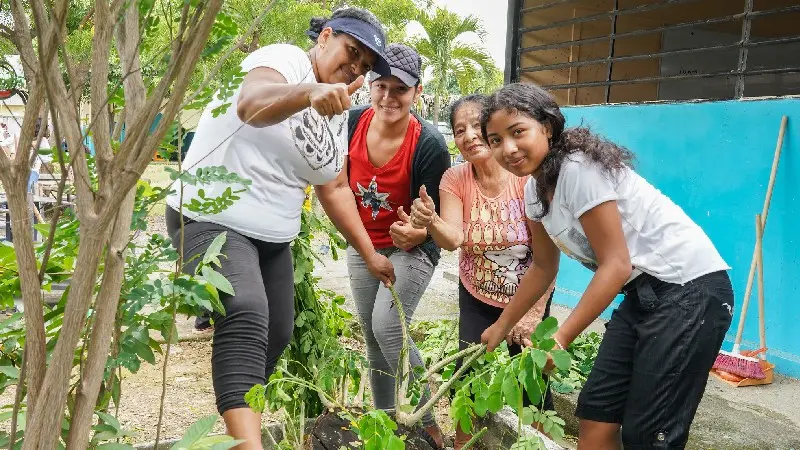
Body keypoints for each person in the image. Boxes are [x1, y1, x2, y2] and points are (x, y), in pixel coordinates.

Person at [164, 7, 391, 449]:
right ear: (325, 37)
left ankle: (234, 433)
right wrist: (309, 91)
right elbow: (251, 105)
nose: (354, 68)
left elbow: (336, 187)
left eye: (364, 66)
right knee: (246, 310)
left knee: (278, 331)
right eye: (352, 52)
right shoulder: (286, 60)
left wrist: (370, 253)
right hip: (210, 217)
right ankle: (250, 445)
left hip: (273, 238)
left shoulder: (336, 112)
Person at [479, 83, 733, 450]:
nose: (509, 148)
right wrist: (501, 326)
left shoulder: (578, 169)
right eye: (496, 140)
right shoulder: (534, 191)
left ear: (547, 127)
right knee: (597, 418)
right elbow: (542, 268)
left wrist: (561, 336)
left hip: (690, 288)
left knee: (649, 435)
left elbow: (615, 264)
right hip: (642, 293)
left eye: (518, 132)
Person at [315, 43, 450, 448]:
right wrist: (367, 251)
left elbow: (437, 219)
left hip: (411, 250)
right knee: (372, 339)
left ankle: (427, 419)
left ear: (418, 92)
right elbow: (335, 188)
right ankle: (384, 423)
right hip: (363, 244)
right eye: (381, 86)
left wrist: (420, 233)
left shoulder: (428, 144)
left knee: (388, 327)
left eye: (401, 89)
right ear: (369, 86)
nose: (389, 97)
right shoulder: (351, 123)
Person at [408, 94, 555, 449]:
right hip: (476, 297)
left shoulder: (524, 178)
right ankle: (464, 445)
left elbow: (546, 258)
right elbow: (453, 238)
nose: (470, 135)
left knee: (533, 387)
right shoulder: (455, 179)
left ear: (492, 130)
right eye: (460, 130)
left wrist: (532, 315)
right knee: (468, 384)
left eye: (477, 126)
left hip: (528, 299)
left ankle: (537, 443)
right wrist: (431, 222)